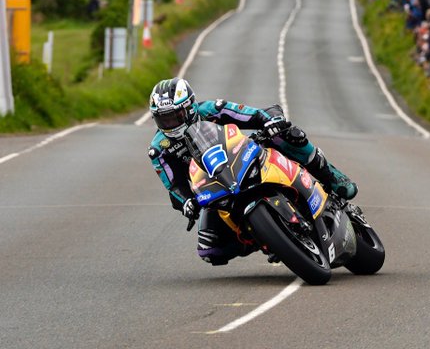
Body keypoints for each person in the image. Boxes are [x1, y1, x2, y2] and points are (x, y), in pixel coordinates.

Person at [147, 77, 358, 265]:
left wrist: (271, 120)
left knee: (285, 136)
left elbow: (253, 114)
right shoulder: (159, 149)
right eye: (163, 119)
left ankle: (332, 178)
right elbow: (174, 185)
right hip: (212, 188)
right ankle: (264, 237)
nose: (170, 124)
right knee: (210, 249)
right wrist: (186, 202)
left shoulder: (212, 110)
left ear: (190, 108)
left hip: (241, 158)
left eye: (175, 116)